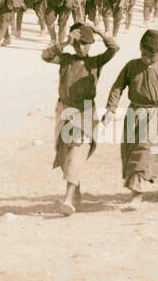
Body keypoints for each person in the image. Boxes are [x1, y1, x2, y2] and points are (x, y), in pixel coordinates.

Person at [42, 22, 119, 216]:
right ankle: (75, 191)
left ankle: (68, 200)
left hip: (85, 111)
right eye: (78, 44)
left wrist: (100, 32)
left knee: (77, 153)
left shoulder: (95, 62)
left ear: (90, 45)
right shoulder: (65, 59)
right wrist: (66, 42)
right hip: (64, 109)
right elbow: (46, 56)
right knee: (63, 152)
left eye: (85, 44)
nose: (81, 47)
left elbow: (114, 48)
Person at [101, 29, 158, 210]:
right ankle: (135, 187)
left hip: (155, 115)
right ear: (140, 48)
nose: (147, 57)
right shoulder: (131, 66)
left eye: (152, 54)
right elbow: (117, 87)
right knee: (130, 150)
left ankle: (137, 192)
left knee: (143, 149)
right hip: (134, 113)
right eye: (144, 52)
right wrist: (110, 109)